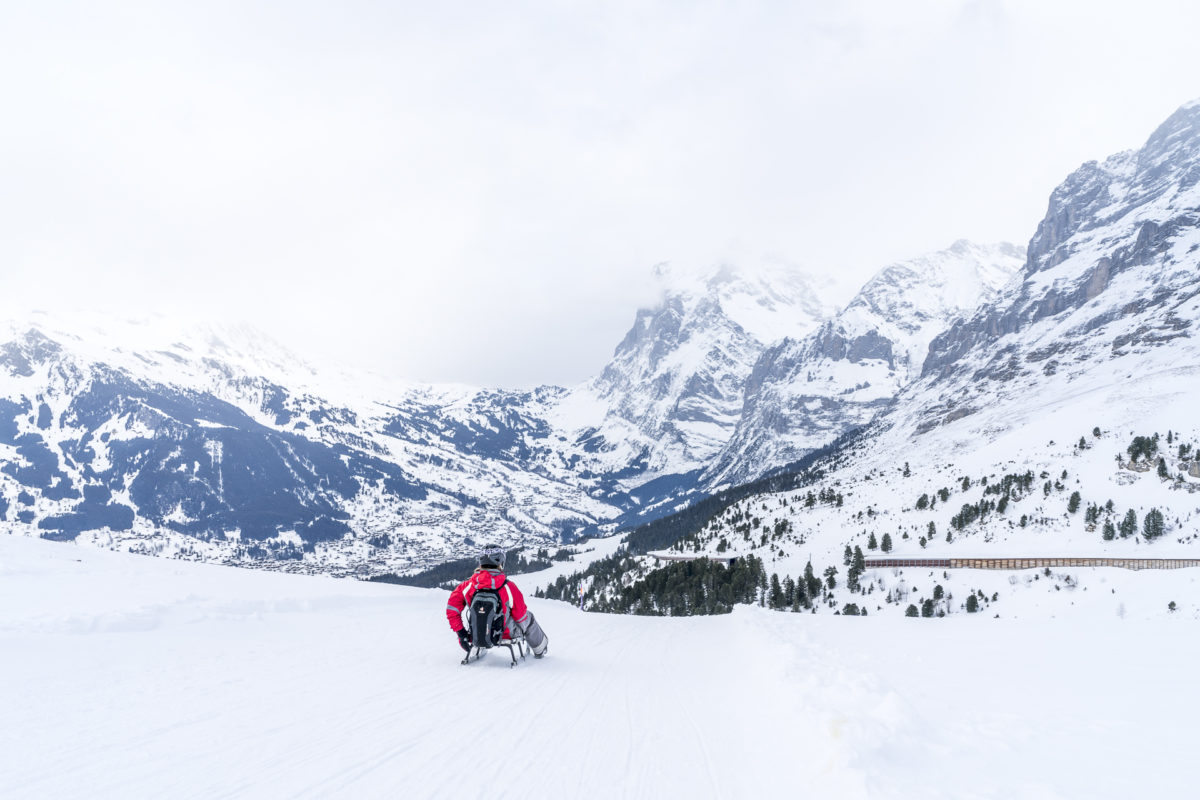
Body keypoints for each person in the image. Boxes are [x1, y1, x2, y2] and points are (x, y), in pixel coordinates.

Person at [446, 544, 548, 659]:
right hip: (505, 633)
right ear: (501, 562)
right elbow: (520, 616)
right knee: (529, 617)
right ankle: (540, 649)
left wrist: (461, 634)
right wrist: (522, 630)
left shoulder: (468, 585)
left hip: (475, 633)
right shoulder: (508, 586)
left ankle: (482, 639)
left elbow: (452, 610)